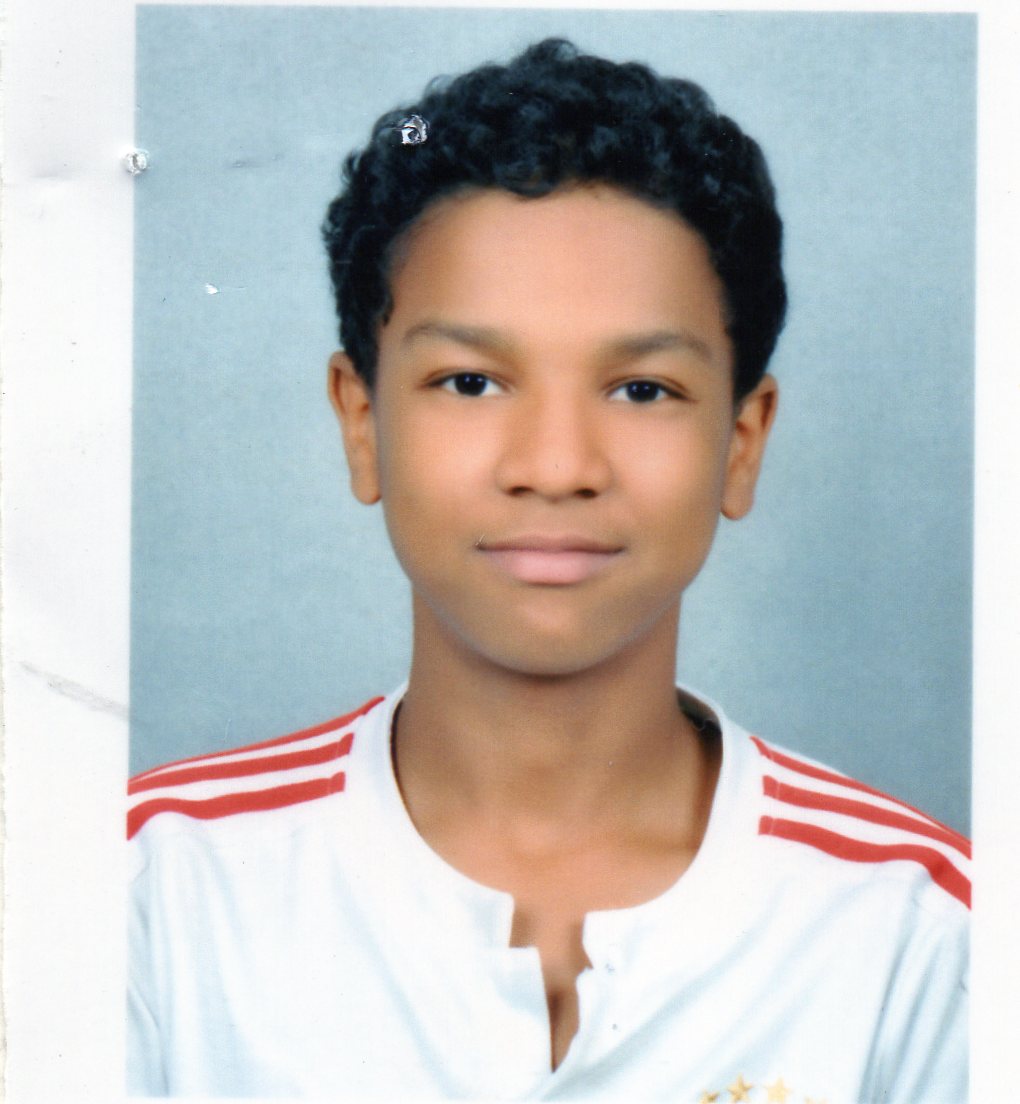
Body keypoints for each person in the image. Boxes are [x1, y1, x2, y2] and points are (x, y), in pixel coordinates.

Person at [127, 39, 969, 1100]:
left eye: (643, 390)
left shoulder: (923, 934)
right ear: (362, 423)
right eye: (471, 382)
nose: (557, 466)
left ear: (742, 442)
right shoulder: (149, 888)